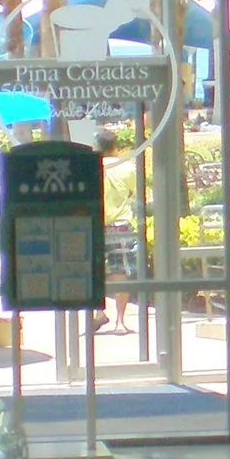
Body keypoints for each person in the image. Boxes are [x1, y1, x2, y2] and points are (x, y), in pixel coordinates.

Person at [95, 127, 140, 336]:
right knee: (120, 273)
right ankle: (120, 322)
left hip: (95, 225)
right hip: (120, 226)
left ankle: (97, 312)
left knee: (92, 272)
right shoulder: (126, 167)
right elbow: (136, 192)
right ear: (115, 146)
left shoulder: (91, 167)